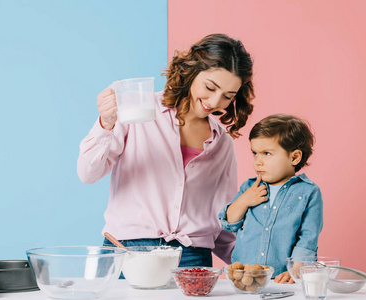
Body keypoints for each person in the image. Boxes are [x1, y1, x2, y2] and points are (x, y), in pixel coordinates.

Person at [77, 33, 255, 267]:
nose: (214, 102)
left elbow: (223, 218)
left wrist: (252, 265)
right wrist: (106, 123)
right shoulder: (137, 108)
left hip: (192, 256)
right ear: (193, 71)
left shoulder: (221, 142)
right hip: (128, 250)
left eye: (227, 96)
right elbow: (88, 174)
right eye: (210, 87)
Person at [218, 114, 323, 283]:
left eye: (267, 153)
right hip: (244, 276)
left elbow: (308, 237)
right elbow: (229, 223)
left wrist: (295, 271)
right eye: (255, 154)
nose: (258, 161)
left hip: (280, 278)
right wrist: (244, 201)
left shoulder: (308, 192)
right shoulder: (250, 188)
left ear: (294, 157)